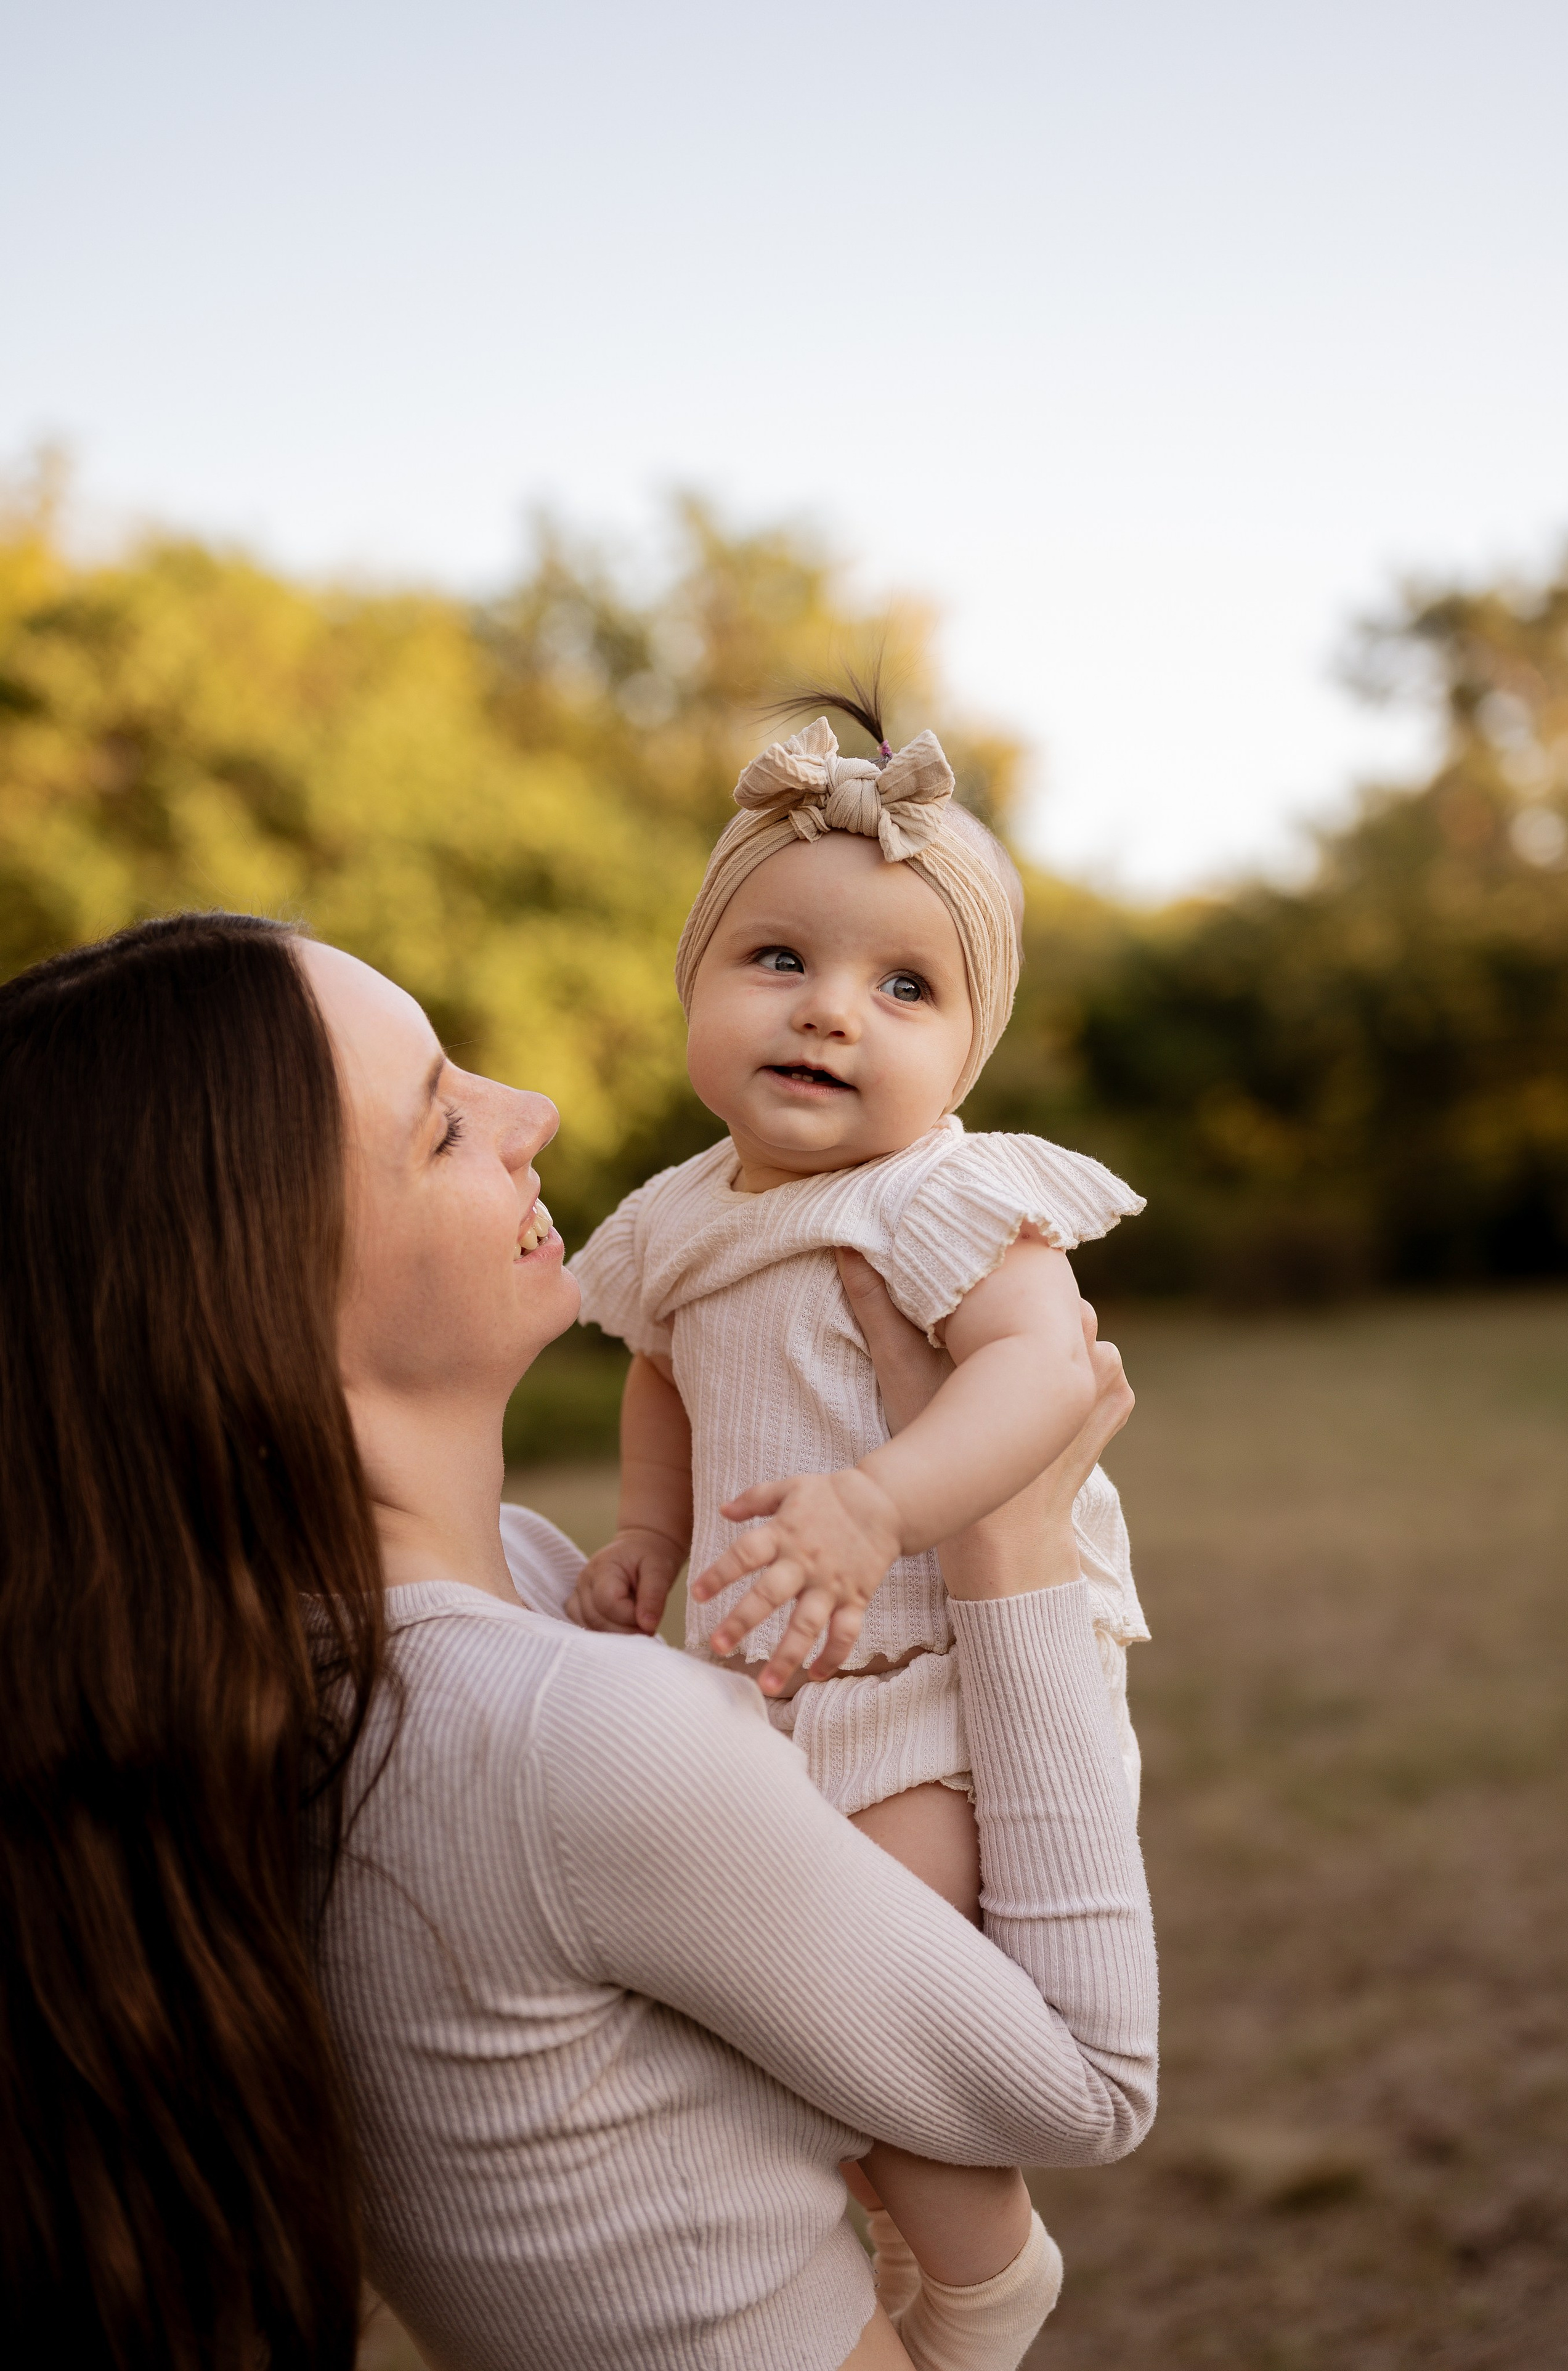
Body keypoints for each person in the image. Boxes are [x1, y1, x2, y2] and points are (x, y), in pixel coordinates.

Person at [0, 912, 1155, 2371]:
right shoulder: (557, 1732)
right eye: (440, 1122)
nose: (529, 1110)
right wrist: (1007, 1536)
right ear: (262, 1299)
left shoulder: (336, 1649)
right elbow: (1089, 2085)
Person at [567, 694, 1150, 2363]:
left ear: (967, 1054)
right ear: (694, 986)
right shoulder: (676, 1218)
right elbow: (665, 1379)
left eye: (905, 987)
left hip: (939, 1679)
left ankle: (985, 2282)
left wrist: (880, 1500)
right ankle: (903, 2238)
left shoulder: (943, 1195)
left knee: (863, 1997)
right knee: (794, 2006)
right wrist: (646, 1537)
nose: (833, 1013)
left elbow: (1045, 1374)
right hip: (774, 1671)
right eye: (777, 961)